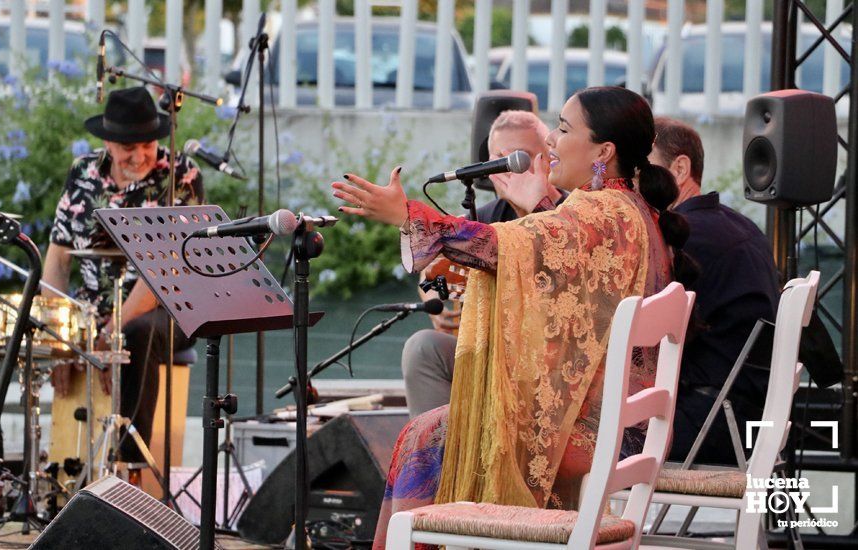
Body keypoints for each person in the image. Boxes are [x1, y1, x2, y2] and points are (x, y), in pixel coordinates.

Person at [332, 87, 693, 547]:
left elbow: (505, 248)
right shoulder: (633, 212)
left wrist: (406, 214)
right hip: (622, 431)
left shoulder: (599, 210)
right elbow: (563, 255)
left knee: (425, 438)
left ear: (604, 151)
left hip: (592, 437)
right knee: (440, 430)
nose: (552, 145)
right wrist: (540, 205)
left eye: (563, 130)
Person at [42, 87, 203, 469]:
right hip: (93, 310)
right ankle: (61, 474)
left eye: (147, 144)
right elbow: (58, 259)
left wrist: (110, 332)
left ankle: (130, 468)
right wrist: (58, 333)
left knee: (137, 334)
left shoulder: (180, 174)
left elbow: (162, 273)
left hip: (165, 309)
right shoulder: (82, 173)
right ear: (108, 144)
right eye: (128, 148)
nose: (141, 155)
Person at [404, 110, 562, 417]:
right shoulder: (485, 214)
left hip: (549, 365)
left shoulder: (566, 213)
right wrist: (435, 295)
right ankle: (442, 459)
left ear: (546, 159)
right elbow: (434, 269)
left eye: (518, 158)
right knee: (422, 347)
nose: (506, 168)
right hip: (492, 354)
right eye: (497, 158)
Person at [650, 116, 779, 464]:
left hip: (713, 422)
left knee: (573, 434)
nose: (630, 185)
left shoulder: (688, 237)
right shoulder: (736, 224)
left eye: (640, 171)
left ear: (679, 168)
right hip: (745, 416)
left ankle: (578, 521)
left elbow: (644, 340)